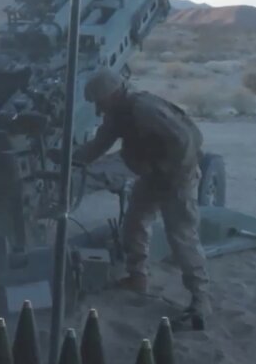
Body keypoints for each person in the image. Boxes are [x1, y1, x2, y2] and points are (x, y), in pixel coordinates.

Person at [73, 66, 213, 330]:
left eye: (99, 102)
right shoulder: (119, 113)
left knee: (182, 237)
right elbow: (99, 144)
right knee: (135, 221)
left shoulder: (145, 109)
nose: (98, 109)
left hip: (175, 179)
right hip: (155, 175)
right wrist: (72, 160)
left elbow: (185, 141)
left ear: (112, 95)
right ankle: (137, 276)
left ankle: (200, 298)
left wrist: (169, 173)